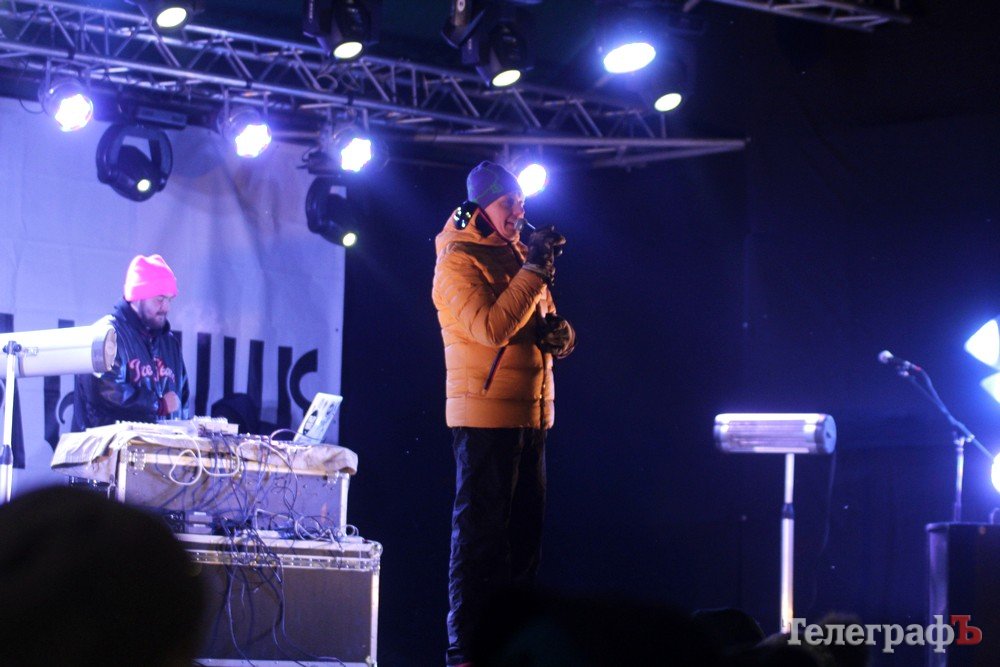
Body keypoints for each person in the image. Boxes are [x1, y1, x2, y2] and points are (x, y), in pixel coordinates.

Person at [432, 161, 576, 666]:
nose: (519, 210)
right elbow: (490, 328)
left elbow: (540, 319)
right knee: (480, 543)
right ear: (480, 207)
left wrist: (562, 337)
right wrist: (534, 270)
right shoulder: (456, 260)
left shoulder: (518, 255)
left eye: (522, 202)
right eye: (507, 203)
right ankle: (466, 652)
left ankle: (515, 648)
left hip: (532, 417)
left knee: (524, 542)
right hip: (484, 419)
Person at [72, 254, 189, 430]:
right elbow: (105, 393)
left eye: (169, 299)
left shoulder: (169, 343)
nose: (166, 307)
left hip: (160, 446)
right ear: (137, 297)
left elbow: (181, 400)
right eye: (159, 299)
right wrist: (158, 405)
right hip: (108, 447)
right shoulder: (105, 335)